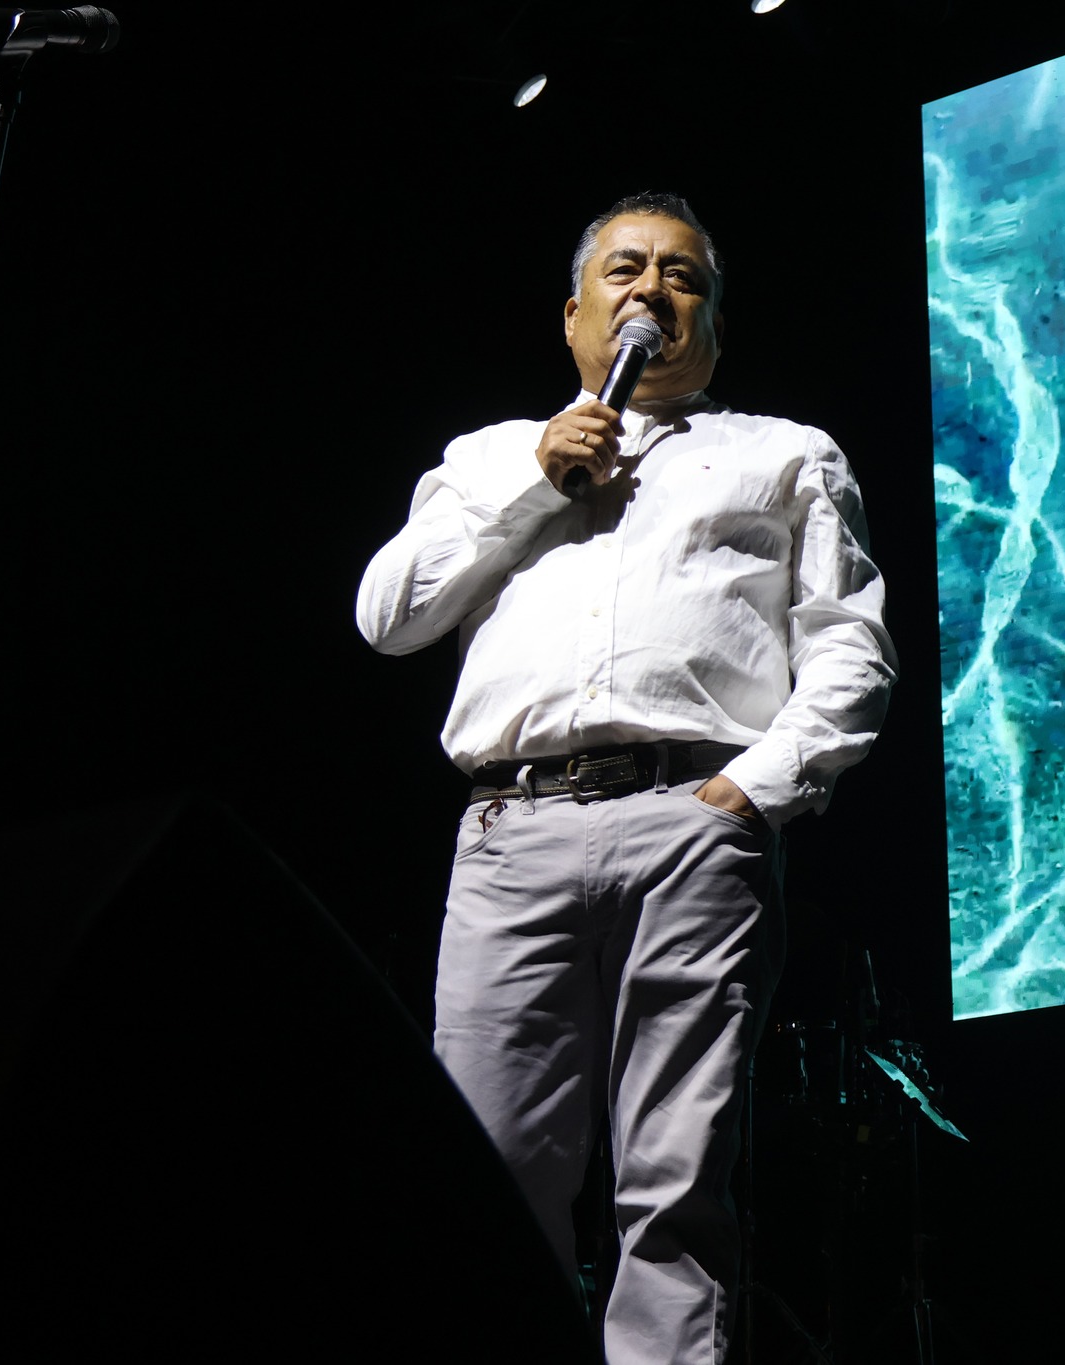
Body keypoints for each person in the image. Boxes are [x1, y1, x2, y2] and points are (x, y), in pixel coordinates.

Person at [355, 192, 895, 1365]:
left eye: (681, 277)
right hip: (511, 833)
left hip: (691, 823)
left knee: (676, 1180)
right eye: (624, 270)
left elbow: (850, 651)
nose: (650, 290)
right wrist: (536, 482)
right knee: (489, 1175)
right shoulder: (489, 457)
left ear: (711, 321)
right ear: (572, 315)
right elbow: (387, 619)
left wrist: (750, 794)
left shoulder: (782, 453)